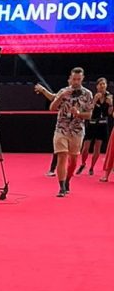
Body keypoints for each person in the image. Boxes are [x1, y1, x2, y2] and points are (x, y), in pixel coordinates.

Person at [48, 67, 93, 198]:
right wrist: (60, 97)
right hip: (61, 128)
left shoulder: (88, 94)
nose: (76, 82)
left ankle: (67, 179)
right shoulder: (63, 91)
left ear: (82, 79)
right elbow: (52, 108)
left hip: (77, 131)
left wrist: (78, 114)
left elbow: (89, 115)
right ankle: (61, 187)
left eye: (78, 79)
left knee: (73, 160)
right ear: (70, 79)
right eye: (74, 79)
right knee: (62, 156)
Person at [77, 77, 111, 176]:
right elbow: (88, 108)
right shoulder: (92, 96)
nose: (102, 86)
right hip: (92, 124)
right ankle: (83, 163)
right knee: (85, 147)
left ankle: (92, 167)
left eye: (104, 84)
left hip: (102, 125)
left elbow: (110, 113)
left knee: (97, 147)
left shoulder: (109, 97)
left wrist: (111, 105)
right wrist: (95, 100)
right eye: (100, 84)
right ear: (97, 86)